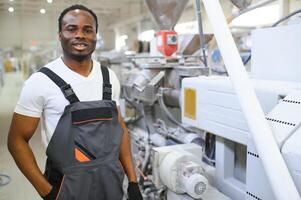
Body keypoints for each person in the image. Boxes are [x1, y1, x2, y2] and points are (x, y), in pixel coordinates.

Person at [7, 4, 143, 200]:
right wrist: (47, 192)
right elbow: (16, 141)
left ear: (95, 35)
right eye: (71, 29)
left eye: (88, 30)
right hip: (66, 187)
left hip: (111, 184)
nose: (80, 35)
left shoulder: (109, 77)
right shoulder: (41, 81)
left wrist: (132, 181)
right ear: (60, 35)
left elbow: (119, 127)